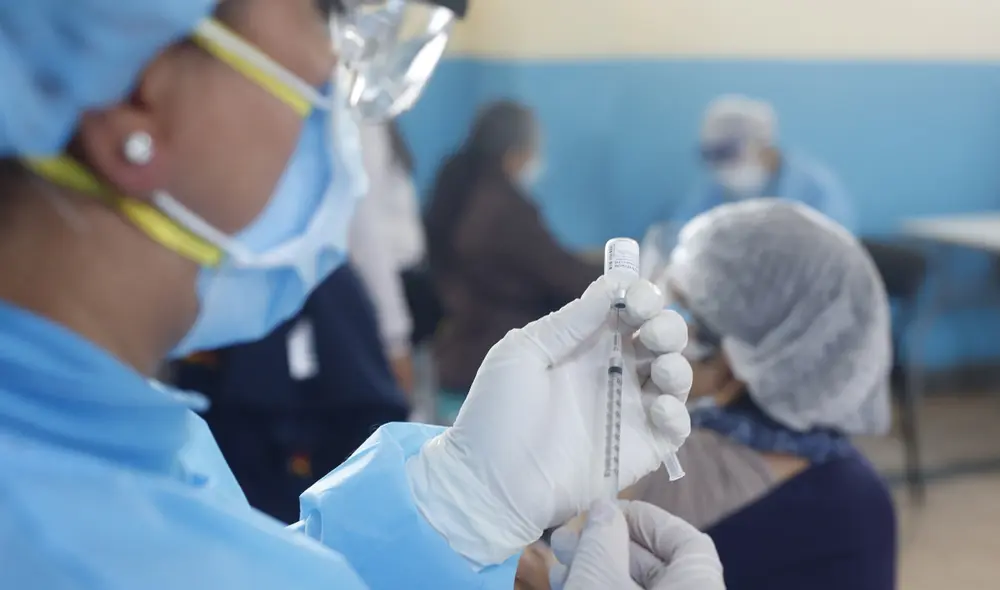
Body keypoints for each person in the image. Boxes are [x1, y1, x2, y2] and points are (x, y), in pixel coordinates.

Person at [0, 1, 714, 589]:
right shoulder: (60, 537)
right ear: (137, 101)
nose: (343, 82)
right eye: (326, 16)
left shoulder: (118, 446)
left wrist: (457, 514)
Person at [633, 199, 896, 589]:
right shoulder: (859, 490)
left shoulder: (687, 482)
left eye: (686, 317)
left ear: (746, 355)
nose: (651, 336)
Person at [171, 263, 409, 524]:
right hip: (206, 487)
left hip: (297, 488)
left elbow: (371, 408)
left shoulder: (316, 274)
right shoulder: (195, 275)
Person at [425, 100, 602, 421]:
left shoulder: (460, 193)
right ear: (515, 152)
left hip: (457, 360)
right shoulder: (504, 209)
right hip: (492, 367)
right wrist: (617, 274)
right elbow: (559, 273)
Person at [641, 95, 855, 282]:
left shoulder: (815, 192)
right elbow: (681, 235)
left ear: (763, 146)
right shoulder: (714, 190)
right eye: (710, 155)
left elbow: (831, 261)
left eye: (727, 153)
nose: (720, 166)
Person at [350, 120, 425, 395]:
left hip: (399, 293)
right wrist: (394, 339)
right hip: (379, 298)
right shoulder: (363, 120)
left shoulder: (378, 120)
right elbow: (369, 236)